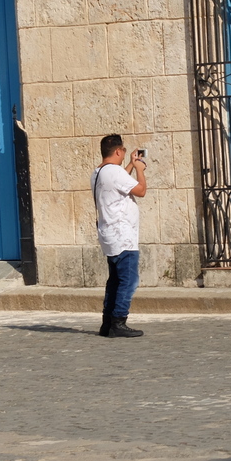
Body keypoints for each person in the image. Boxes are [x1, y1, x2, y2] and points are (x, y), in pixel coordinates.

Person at [92, 134, 147, 338]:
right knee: (129, 280)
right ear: (117, 151)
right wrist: (140, 170)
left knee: (115, 280)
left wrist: (131, 166)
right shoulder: (114, 172)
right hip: (122, 235)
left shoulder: (99, 172)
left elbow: (117, 184)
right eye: (123, 151)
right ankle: (119, 322)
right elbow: (140, 190)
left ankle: (107, 323)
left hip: (109, 234)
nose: (124, 154)